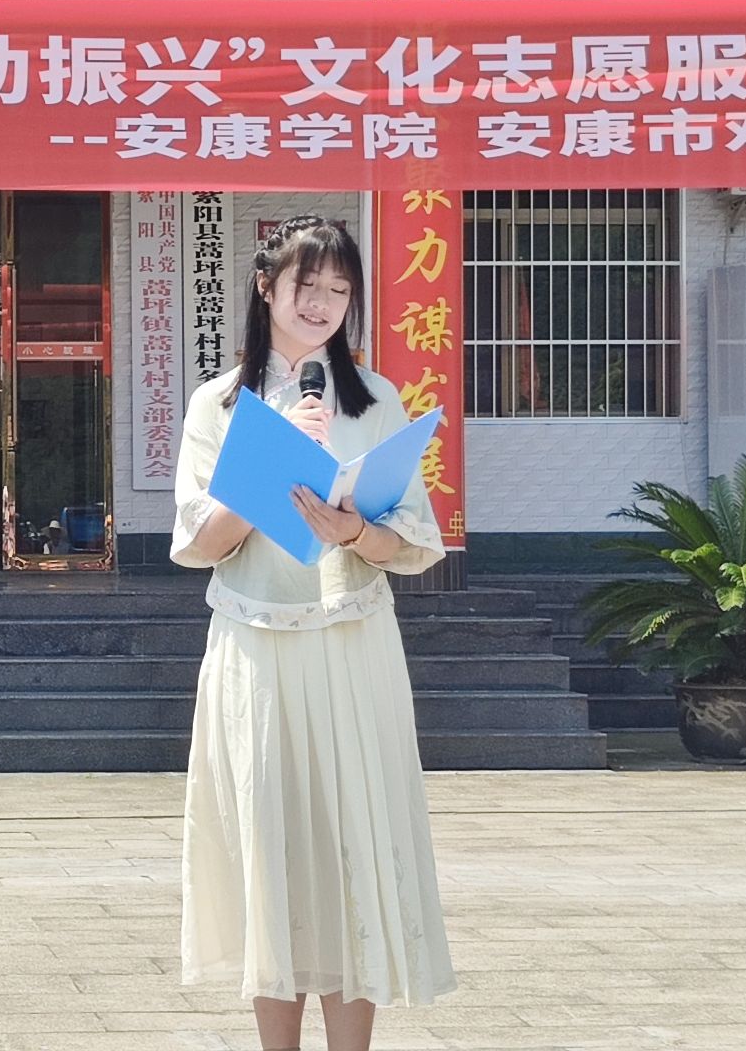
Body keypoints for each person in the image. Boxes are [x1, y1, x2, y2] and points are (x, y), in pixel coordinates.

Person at [171, 216, 455, 1051]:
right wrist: (272, 467)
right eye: (307, 285)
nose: (323, 303)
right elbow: (199, 542)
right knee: (274, 849)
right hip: (255, 646)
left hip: (352, 642)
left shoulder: (376, 399)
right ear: (266, 287)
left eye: (339, 288)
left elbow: (415, 542)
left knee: (352, 845)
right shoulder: (220, 404)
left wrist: (354, 531)